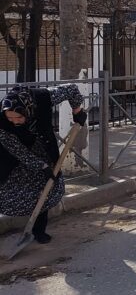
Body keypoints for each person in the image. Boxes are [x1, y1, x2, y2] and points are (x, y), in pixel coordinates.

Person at [0, 84, 86, 244]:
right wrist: (41, 167)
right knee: (8, 193)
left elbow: (71, 89)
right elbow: (20, 152)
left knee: (44, 188)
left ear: (28, 110)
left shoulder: (43, 98)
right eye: (10, 118)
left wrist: (77, 111)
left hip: (42, 149)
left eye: (18, 118)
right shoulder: (2, 124)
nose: (14, 122)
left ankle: (38, 230)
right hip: (14, 159)